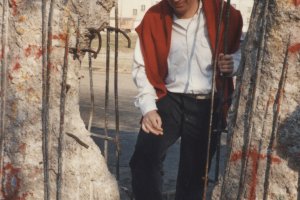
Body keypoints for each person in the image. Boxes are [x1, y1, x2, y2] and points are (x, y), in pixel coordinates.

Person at [129, 0, 243, 199]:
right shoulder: (154, 17)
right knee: (143, 159)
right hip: (168, 99)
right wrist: (148, 108)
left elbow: (244, 51)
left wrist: (234, 63)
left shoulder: (225, 14)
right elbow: (142, 67)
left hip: (207, 104)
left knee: (193, 178)